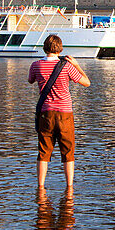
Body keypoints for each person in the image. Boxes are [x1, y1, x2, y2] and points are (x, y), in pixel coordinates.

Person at [29, 35, 90, 188]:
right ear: (59, 48)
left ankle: (41, 187)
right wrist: (76, 65)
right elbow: (87, 83)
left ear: (45, 47)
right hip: (65, 113)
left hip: (45, 112)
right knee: (68, 152)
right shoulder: (67, 66)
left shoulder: (36, 65)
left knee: (43, 151)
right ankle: (69, 188)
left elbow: (30, 80)